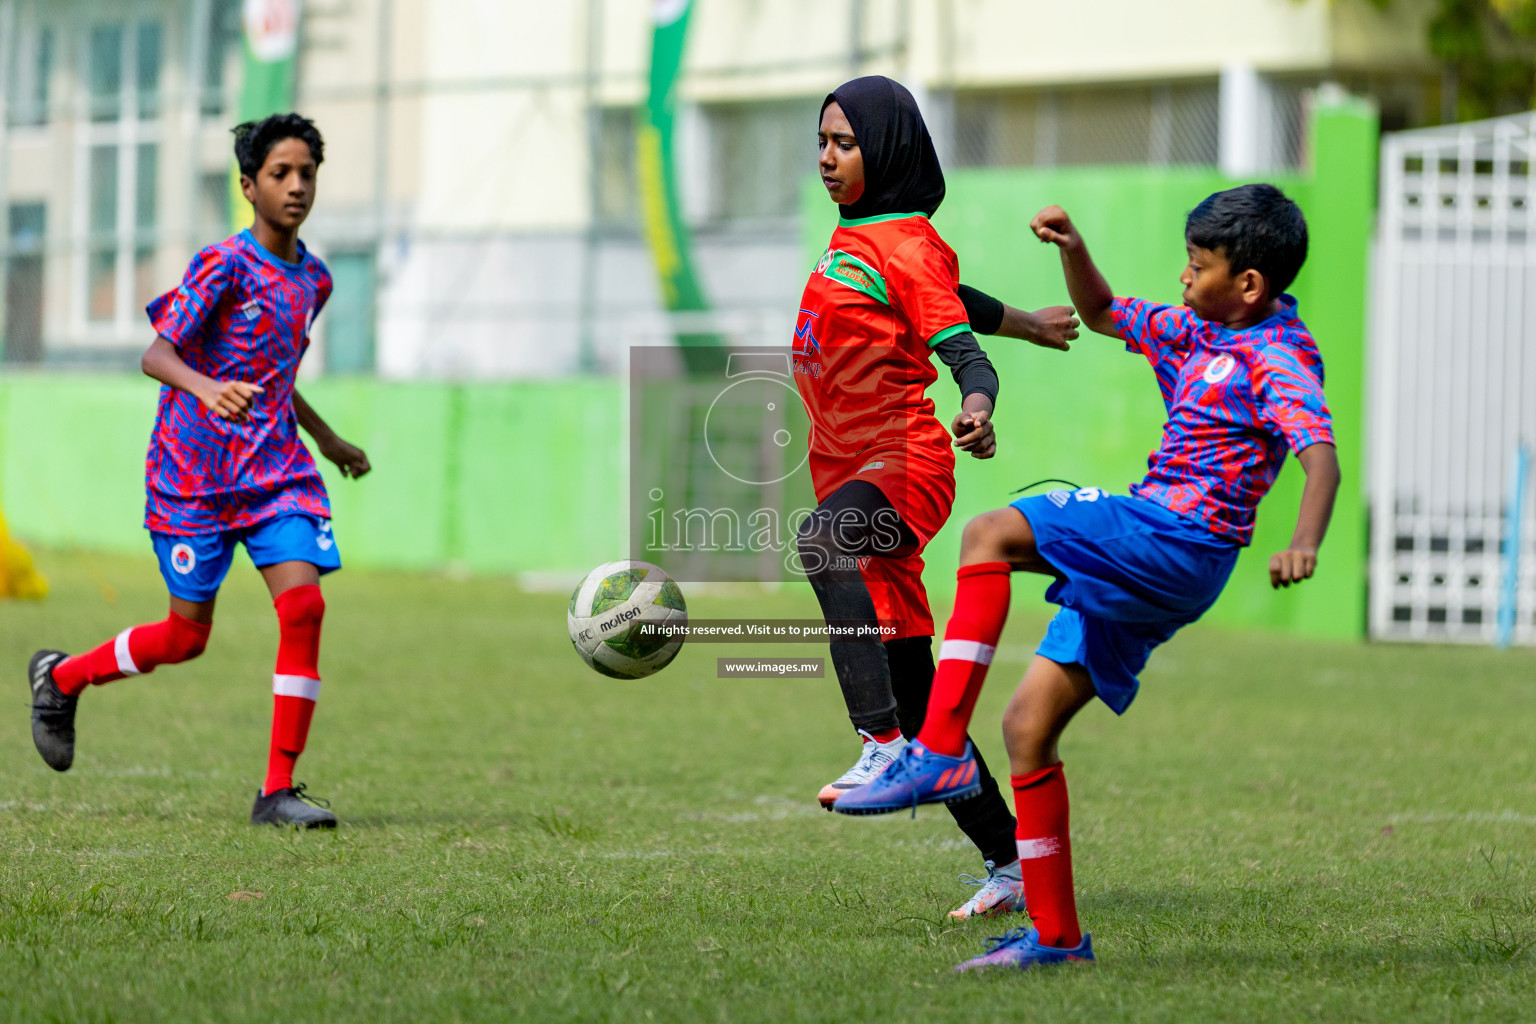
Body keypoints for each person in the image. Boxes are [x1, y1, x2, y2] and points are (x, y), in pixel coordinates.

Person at [833, 184, 1341, 970]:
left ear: (1249, 283)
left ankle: (936, 751)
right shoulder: (1193, 328)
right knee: (1027, 730)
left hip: (1177, 537)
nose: (1183, 276)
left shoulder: (1278, 359)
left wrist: (1303, 542)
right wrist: (1074, 251)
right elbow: (1105, 312)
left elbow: (1321, 459)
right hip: (1161, 556)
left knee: (989, 532)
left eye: (1197, 266)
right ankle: (1058, 938)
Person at [25, 113, 369, 829]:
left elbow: (277, 374)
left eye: (307, 172)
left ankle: (277, 791)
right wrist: (207, 387)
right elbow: (156, 355)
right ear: (249, 185)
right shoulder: (224, 265)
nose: (297, 186)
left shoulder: (316, 280)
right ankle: (62, 677)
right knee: (186, 639)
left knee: (304, 607)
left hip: (277, 474)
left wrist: (329, 438)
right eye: (281, 173)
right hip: (195, 479)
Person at [795, 75, 1077, 918]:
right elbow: (949, 301)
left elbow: (963, 357)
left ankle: (876, 743)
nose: (828, 157)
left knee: (821, 542)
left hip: (903, 464)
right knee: (932, 719)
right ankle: (1009, 860)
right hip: (844, 465)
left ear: (885, 149)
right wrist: (1027, 319)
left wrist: (980, 407)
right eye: (823, 141)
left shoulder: (908, 242)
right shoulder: (861, 237)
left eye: (845, 142)